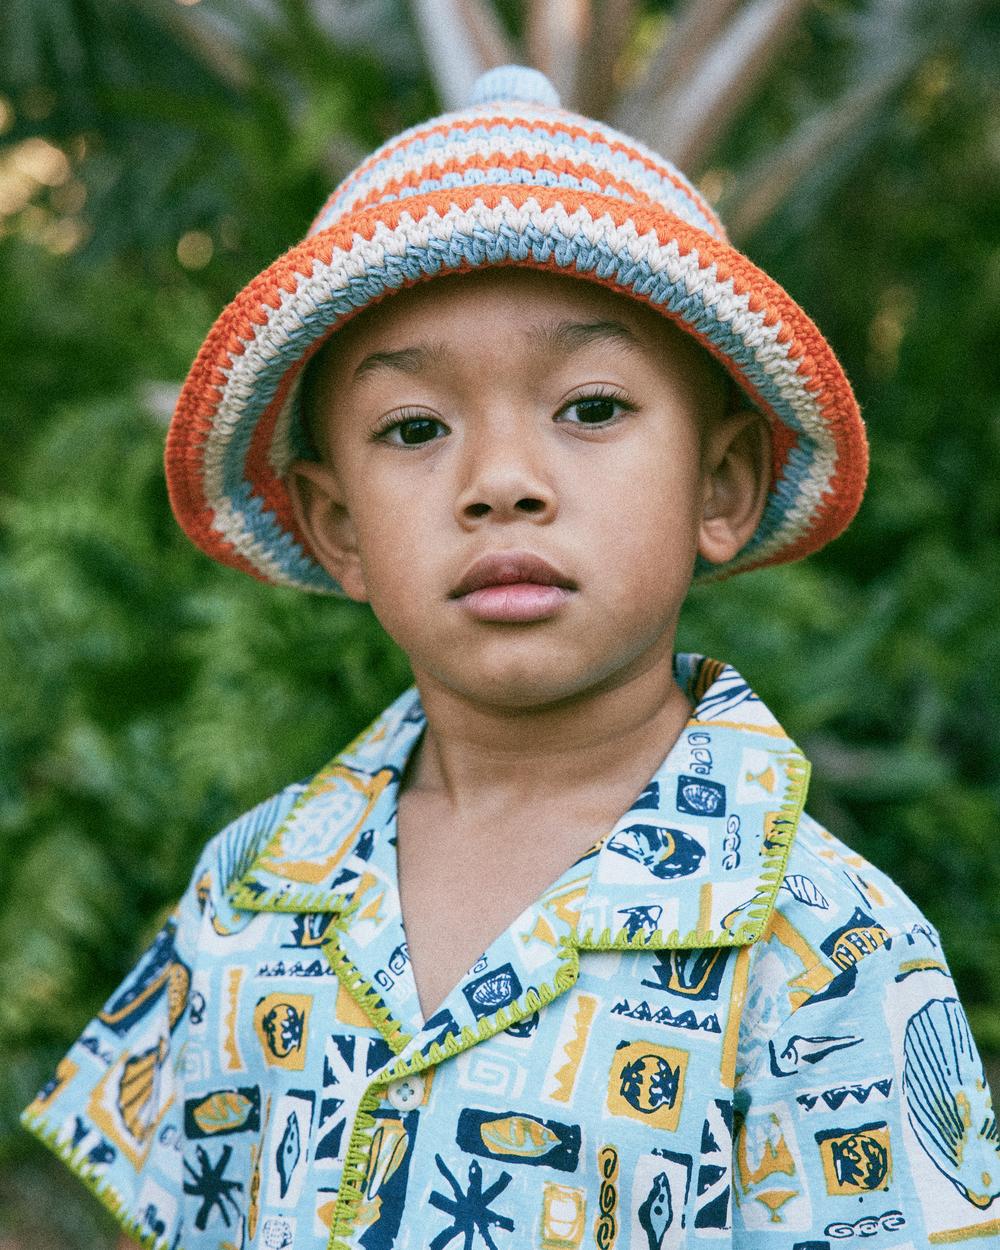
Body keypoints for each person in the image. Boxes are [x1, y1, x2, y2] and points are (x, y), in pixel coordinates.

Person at [22, 65, 998, 1250]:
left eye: (588, 407)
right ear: (338, 527)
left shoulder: (825, 945)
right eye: (415, 427)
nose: (499, 481)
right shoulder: (251, 888)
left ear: (723, 482)